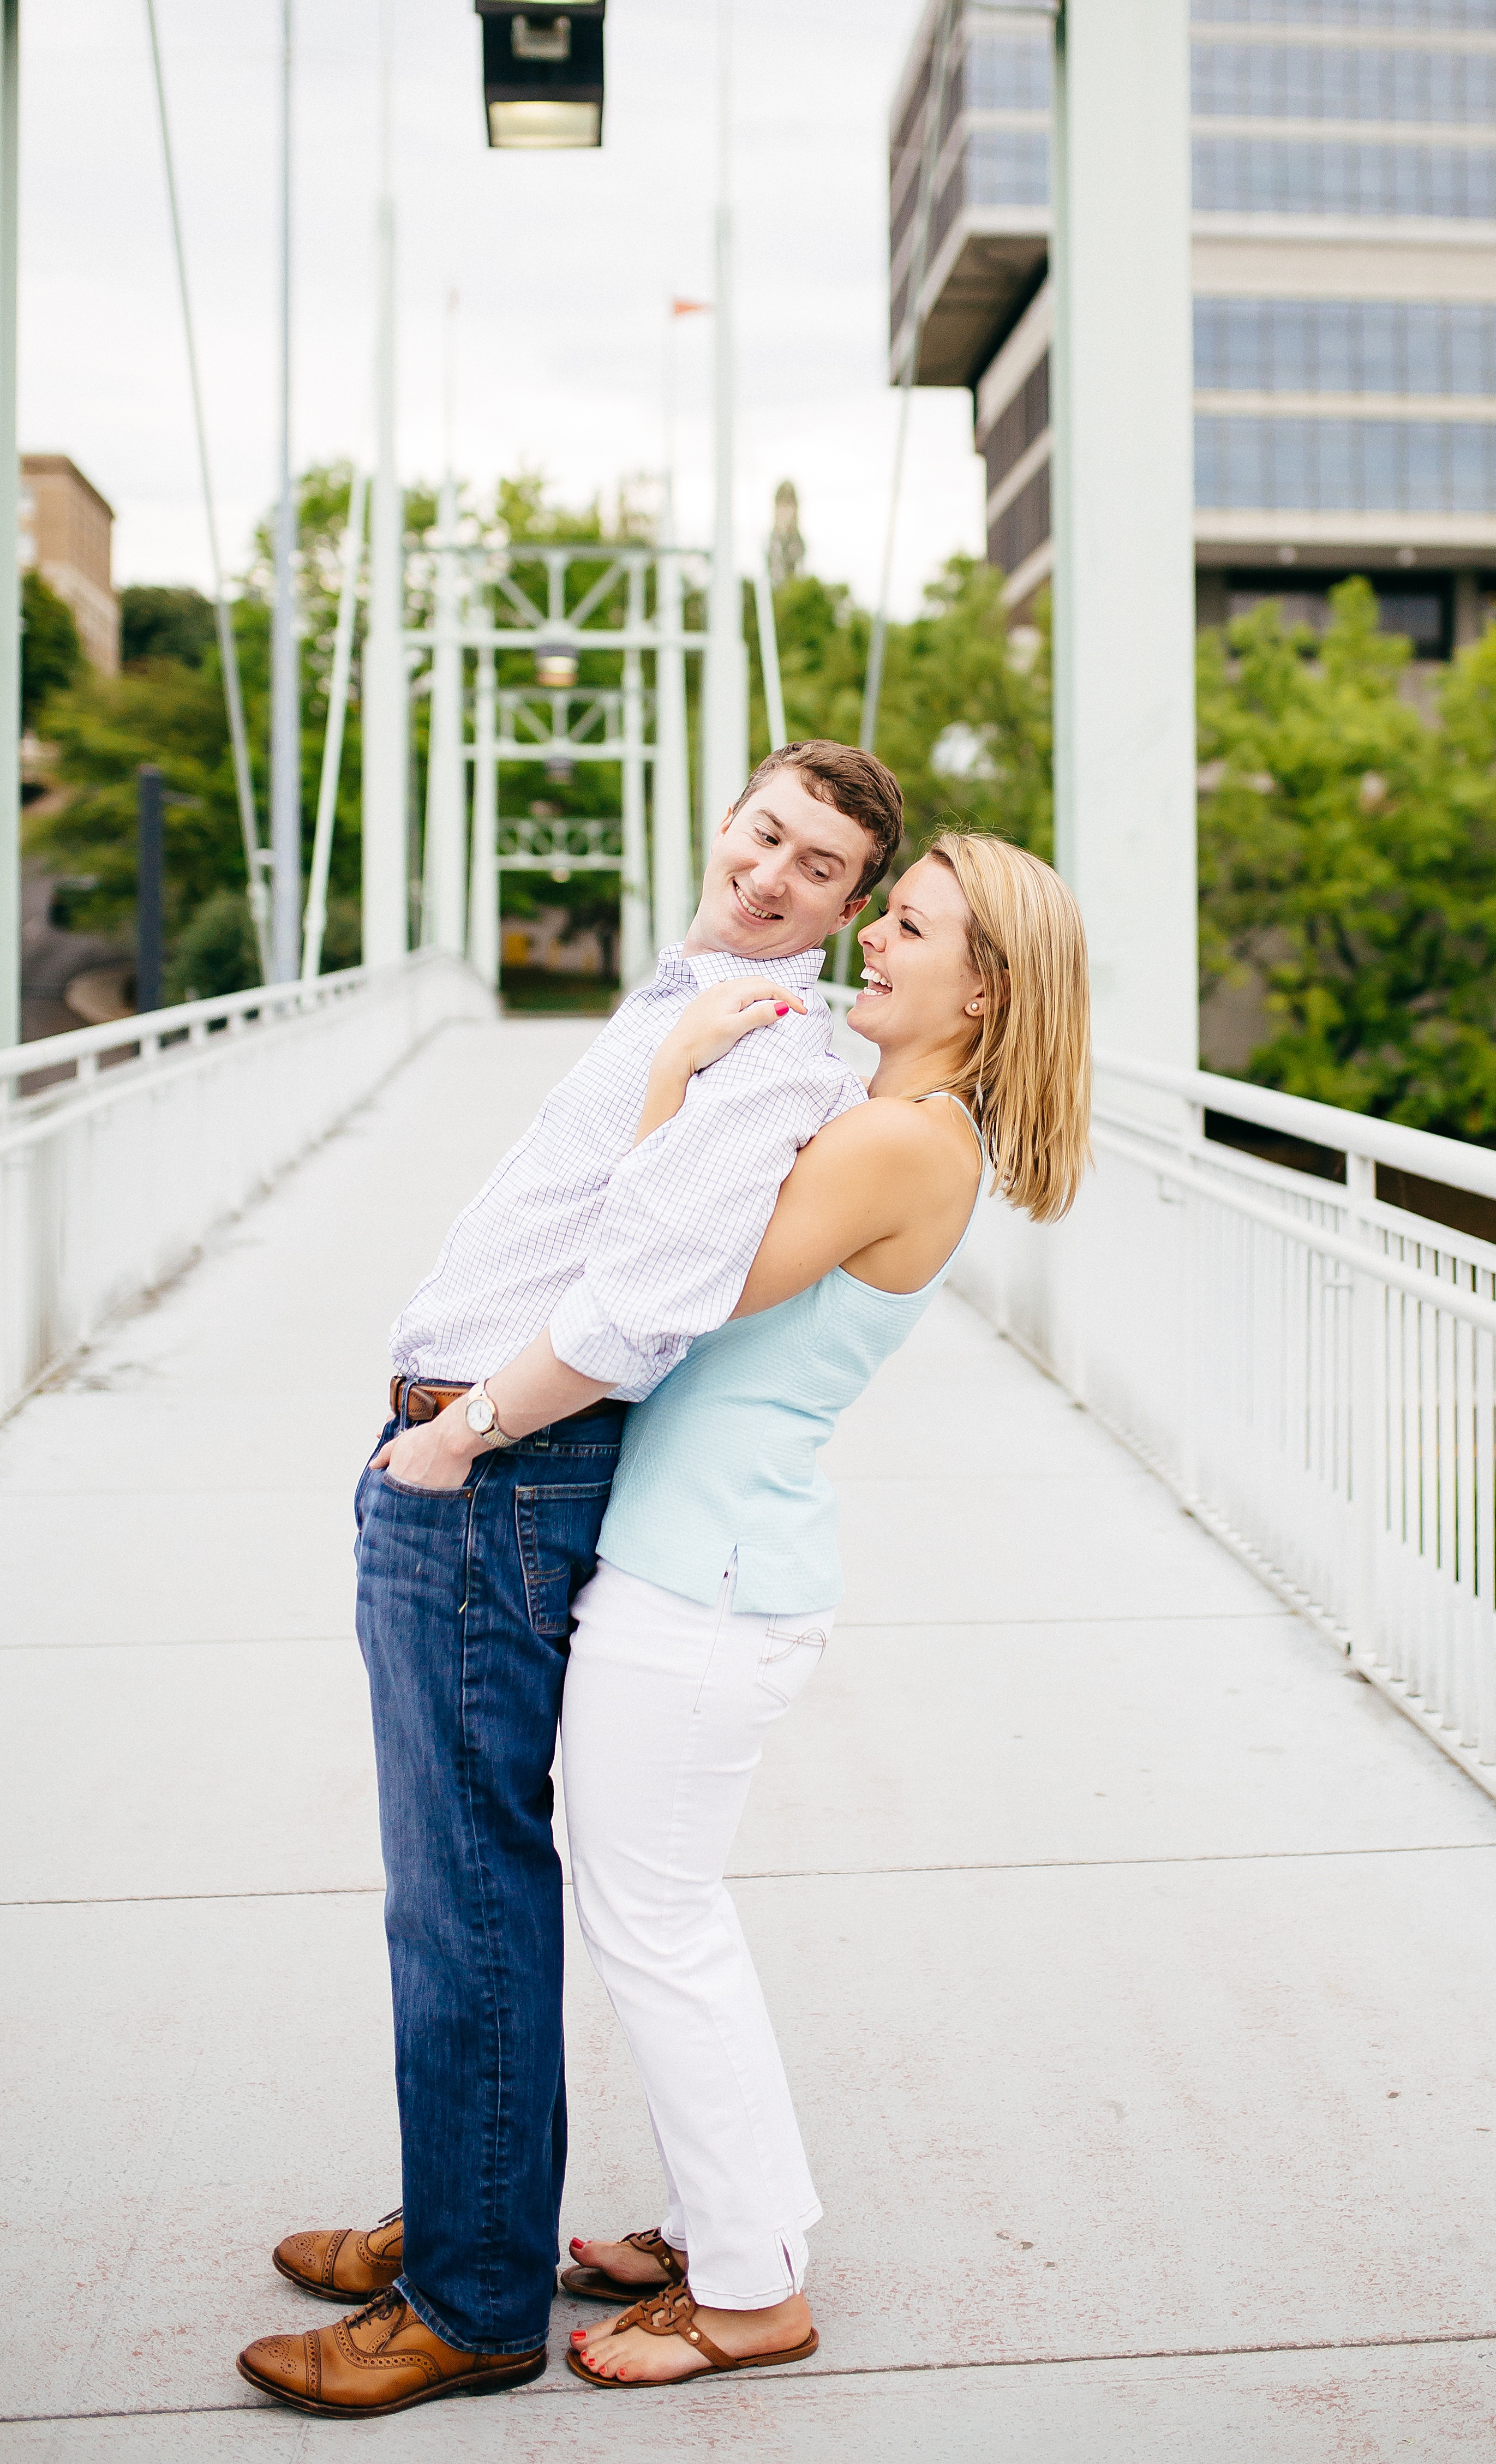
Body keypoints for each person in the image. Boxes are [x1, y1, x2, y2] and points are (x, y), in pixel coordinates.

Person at [235, 741, 905, 2424]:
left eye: (818, 869)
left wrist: (450, 1439)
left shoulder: (759, 1045)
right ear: (726, 816)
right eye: (766, 832)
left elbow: (638, 1305)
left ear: (847, 907)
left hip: (493, 1469)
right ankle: (472, 2205)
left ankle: (467, 2298)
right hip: (480, 1458)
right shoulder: (697, 1003)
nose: (773, 875)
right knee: (467, 1879)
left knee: (460, 1890)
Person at [559, 832, 1091, 2390]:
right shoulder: (891, 1120)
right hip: (708, 1564)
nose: (867, 938)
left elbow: (661, 1278)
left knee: (658, 1923)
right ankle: (729, 2224)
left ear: (981, 990)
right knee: (664, 1912)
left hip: (706, 1580)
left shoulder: (899, 1141)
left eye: (906, 926)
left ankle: (750, 2292)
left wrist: (675, 1067)